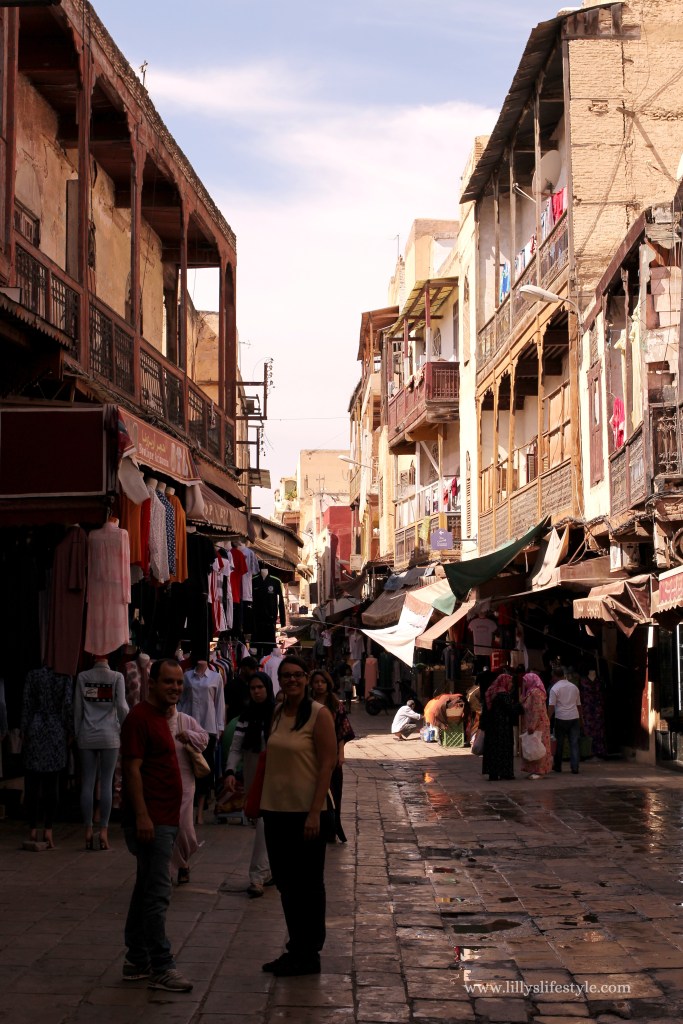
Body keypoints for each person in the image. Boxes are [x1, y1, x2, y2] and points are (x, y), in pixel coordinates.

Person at [260, 656, 337, 977]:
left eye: (297, 675)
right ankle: (296, 948)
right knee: (287, 884)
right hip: (276, 811)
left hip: (308, 814)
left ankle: (310, 952)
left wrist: (314, 813)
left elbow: (327, 764)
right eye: (285, 676)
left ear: (306, 679)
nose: (291, 680)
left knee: (309, 885)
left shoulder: (319, 715)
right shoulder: (278, 713)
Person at [120, 658, 192, 993]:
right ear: (152, 683)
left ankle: (136, 958)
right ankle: (162, 964)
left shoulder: (164, 717)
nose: (175, 688)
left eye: (179, 683)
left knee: (145, 886)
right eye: (169, 682)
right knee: (158, 892)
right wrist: (142, 816)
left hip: (165, 815)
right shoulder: (139, 718)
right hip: (152, 819)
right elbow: (132, 770)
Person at [221, 671, 275, 896]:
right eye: (253, 688)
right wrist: (230, 771)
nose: (256, 691)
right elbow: (236, 747)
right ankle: (266, 871)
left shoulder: (278, 715)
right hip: (255, 777)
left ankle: (258, 876)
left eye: (260, 687)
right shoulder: (245, 718)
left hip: (276, 777)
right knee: (262, 824)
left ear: (268, 688)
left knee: (266, 825)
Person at [74, 656, 129, 851]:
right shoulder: (116, 677)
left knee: (88, 783)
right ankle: (104, 831)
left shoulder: (82, 677)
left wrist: (77, 733)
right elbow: (122, 706)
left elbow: (78, 709)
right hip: (109, 736)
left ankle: (88, 830)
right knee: (106, 783)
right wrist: (126, 727)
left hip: (87, 735)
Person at [21, 667, 73, 849]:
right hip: (55, 729)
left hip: (35, 727)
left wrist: (24, 731)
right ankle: (49, 829)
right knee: (52, 782)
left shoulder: (33, 674)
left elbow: (26, 705)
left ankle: (33, 829)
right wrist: (69, 730)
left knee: (33, 783)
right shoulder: (64, 676)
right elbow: (67, 706)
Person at [309, 669, 355, 843]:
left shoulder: (336, 705)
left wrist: (340, 754)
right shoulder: (308, 704)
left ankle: (333, 829)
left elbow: (341, 731)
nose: (319, 685)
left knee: (335, 793)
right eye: (316, 682)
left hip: (332, 754)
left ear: (328, 684)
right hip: (312, 754)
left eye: (323, 682)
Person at [178, 658, 225, 824]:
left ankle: (200, 810)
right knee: (187, 767)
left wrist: (219, 727)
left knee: (204, 768)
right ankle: (189, 809)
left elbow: (219, 703)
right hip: (188, 726)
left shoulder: (215, 677)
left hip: (208, 727)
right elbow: (181, 700)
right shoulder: (187, 676)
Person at [167, 702, 209, 885]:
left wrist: (189, 736)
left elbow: (204, 738)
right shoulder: (154, 721)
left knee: (184, 826)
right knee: (165, 829)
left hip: (185, 781)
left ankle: (182, 860)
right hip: (161, 782)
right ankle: (177, 866)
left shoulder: (186, 720)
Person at [548, 666, 584, 774]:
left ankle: (558, 766)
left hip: (561, 718)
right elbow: (579, 705)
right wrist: (581, 719)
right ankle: (575, 767)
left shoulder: (554, 688)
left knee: (559, 743)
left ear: (554, 676)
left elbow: (551, 706)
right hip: (574, 717)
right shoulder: (574, 687)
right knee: (574, 743)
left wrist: (546, 718)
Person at [483, 672, 516, 781]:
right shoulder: (503, 695)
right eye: (510, 682)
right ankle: (505, 772)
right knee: (503, 749)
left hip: (491, 727)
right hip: (502, 728)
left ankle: (493, 773)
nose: (511, 684)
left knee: (493, 750)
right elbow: (511, 710)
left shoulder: (491, 692)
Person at [520, 672, 552, 780]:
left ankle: (539, 770)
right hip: (533, 724)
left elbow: (537, 710)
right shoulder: (530, 693)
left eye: (525, 681)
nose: (524, 683)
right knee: (533, 747)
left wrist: (533, 725)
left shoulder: (536, 693)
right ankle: (534, 769)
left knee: (539, 747)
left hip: (539, 725)